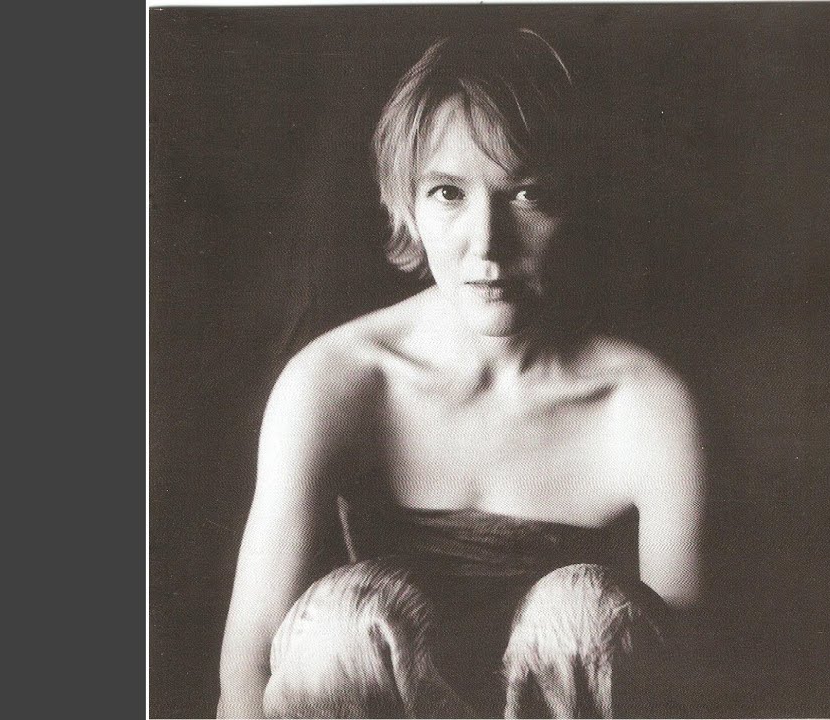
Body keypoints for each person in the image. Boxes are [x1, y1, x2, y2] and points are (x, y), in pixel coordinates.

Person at [217, 28, 707, 719]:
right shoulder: (337, 380)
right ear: (407, 205)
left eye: (528, 194)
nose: (487, 244)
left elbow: (690, 692)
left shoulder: (645, 405)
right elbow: (244, 680)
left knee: (584, 613)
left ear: (577, 201)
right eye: (449, 192)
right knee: (338, 630)